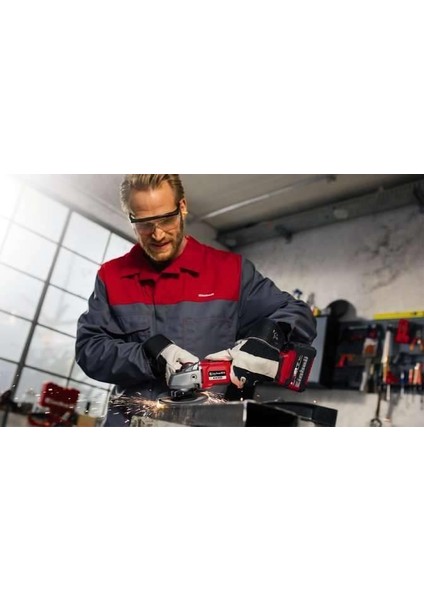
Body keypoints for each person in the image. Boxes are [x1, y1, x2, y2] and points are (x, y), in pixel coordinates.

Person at [75, 174, 316, 425]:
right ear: (130, 218)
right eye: (145, 224)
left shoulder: (231, 272)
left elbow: (296, 312)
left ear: (182, 207)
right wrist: (149, 358)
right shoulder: (112, 276)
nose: (157, 234)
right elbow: (89, 349)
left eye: (166, 219)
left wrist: (266, 340)